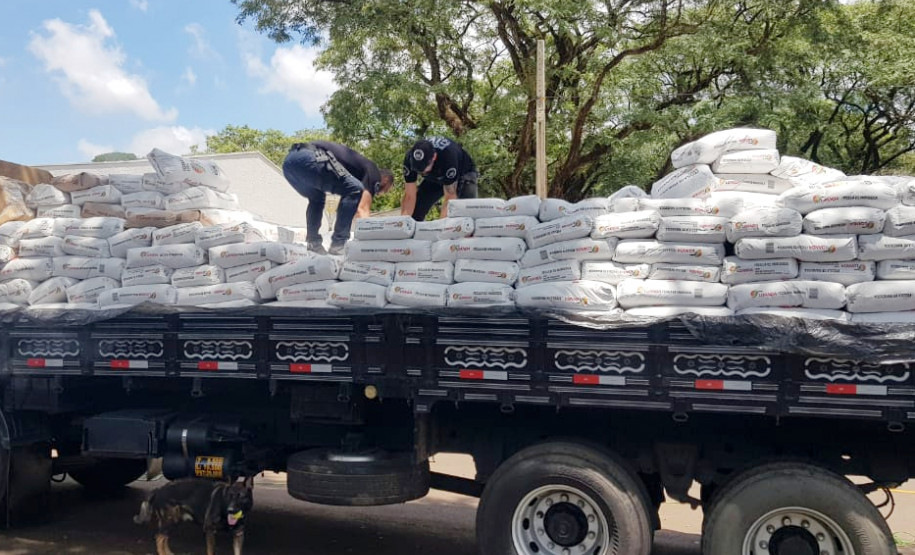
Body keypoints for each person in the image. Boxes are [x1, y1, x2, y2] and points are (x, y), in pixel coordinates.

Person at [283, 140, 393, 255]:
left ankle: (313, 243)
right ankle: (339, 245)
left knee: (317, 198)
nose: (382, 193)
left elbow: (354, 209)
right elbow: (362, 210)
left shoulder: (358, 168)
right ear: (385, 180)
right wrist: (372, 245)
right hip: (312, 158)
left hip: (290, 163)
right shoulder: (374, 173)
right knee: (356, 189)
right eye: (386, 189)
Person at [401, 137, 478, 221]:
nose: (421, 173)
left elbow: (450, 197)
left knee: (463, 211)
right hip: (436, 175)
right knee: (418, 205)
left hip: (463, 172)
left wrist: (441, 227)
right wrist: (403, 223)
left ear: (434, 157)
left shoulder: (448, 158)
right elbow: (409, 196)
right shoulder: (409, 158)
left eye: (424, 168)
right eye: (417, 169)